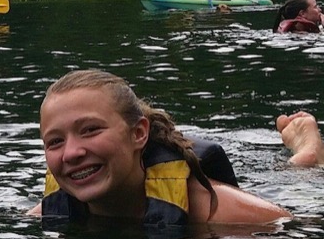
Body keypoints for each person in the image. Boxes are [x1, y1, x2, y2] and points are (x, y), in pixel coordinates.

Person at [28, 69, 290, 226]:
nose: (72, 153)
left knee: (299, 165)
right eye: (55, 142)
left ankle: (306, 146)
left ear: (139, 133)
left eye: (91, 130)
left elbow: (291, 226)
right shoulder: (48, 213)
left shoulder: (224, 214)